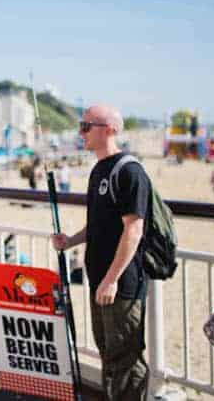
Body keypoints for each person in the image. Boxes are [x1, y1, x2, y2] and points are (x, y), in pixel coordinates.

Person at [51, 105, 149, 400]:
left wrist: (112, 279)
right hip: (99, 280)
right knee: (107, 351)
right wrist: (70, 241)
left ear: (109, 130)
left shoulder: (130, 171)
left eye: (85, 126)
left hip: (120, 284)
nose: (80, 132)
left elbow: (134, 230)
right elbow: (98, 224)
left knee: (125, 358)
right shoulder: (98, 170)